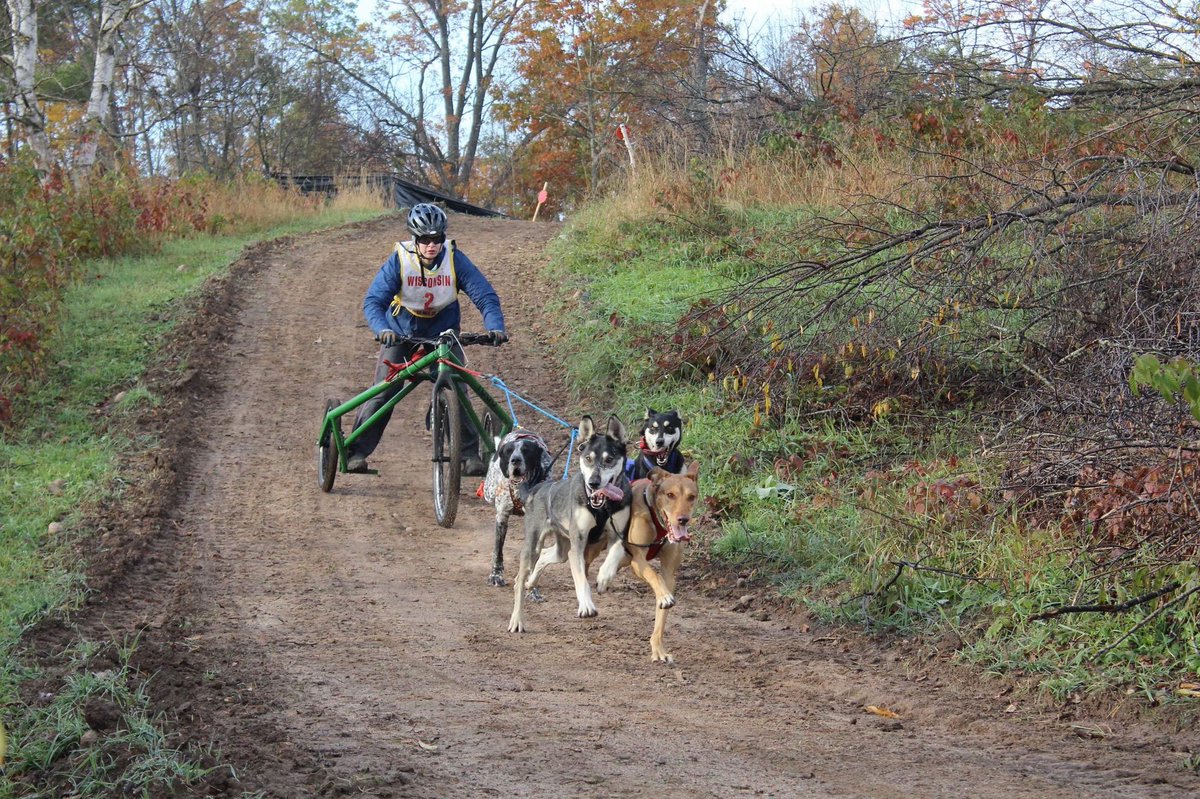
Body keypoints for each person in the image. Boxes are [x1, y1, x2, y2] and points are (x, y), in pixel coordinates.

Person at [345, 203, 507, 476]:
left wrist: (495, 326)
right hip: (401, 330)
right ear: (414, 239)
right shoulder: (400, 259)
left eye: (437, 239)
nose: (432, 245)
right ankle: (356, 451)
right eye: (425, 240)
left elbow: (484, 295)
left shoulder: (454, 258)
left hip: (443, 332)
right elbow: (374, 301)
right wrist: (382, 328)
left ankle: (469, 455)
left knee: (457, 387)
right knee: (385, 389)